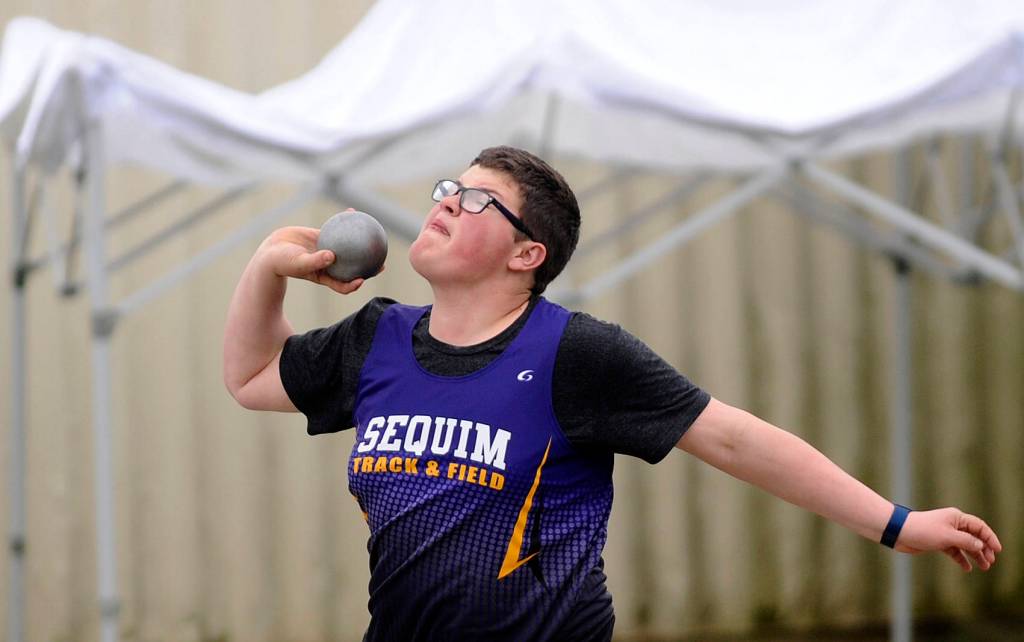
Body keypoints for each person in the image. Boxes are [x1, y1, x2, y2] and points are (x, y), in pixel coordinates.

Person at [222, 146, 1002, 641]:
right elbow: (253, 377)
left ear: (529, 254)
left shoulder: (573, 353)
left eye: (478, 199)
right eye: (450, 186)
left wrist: (898, 524)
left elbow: (731, 437)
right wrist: (265, 267)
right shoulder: (377, 340)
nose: (449, 200)